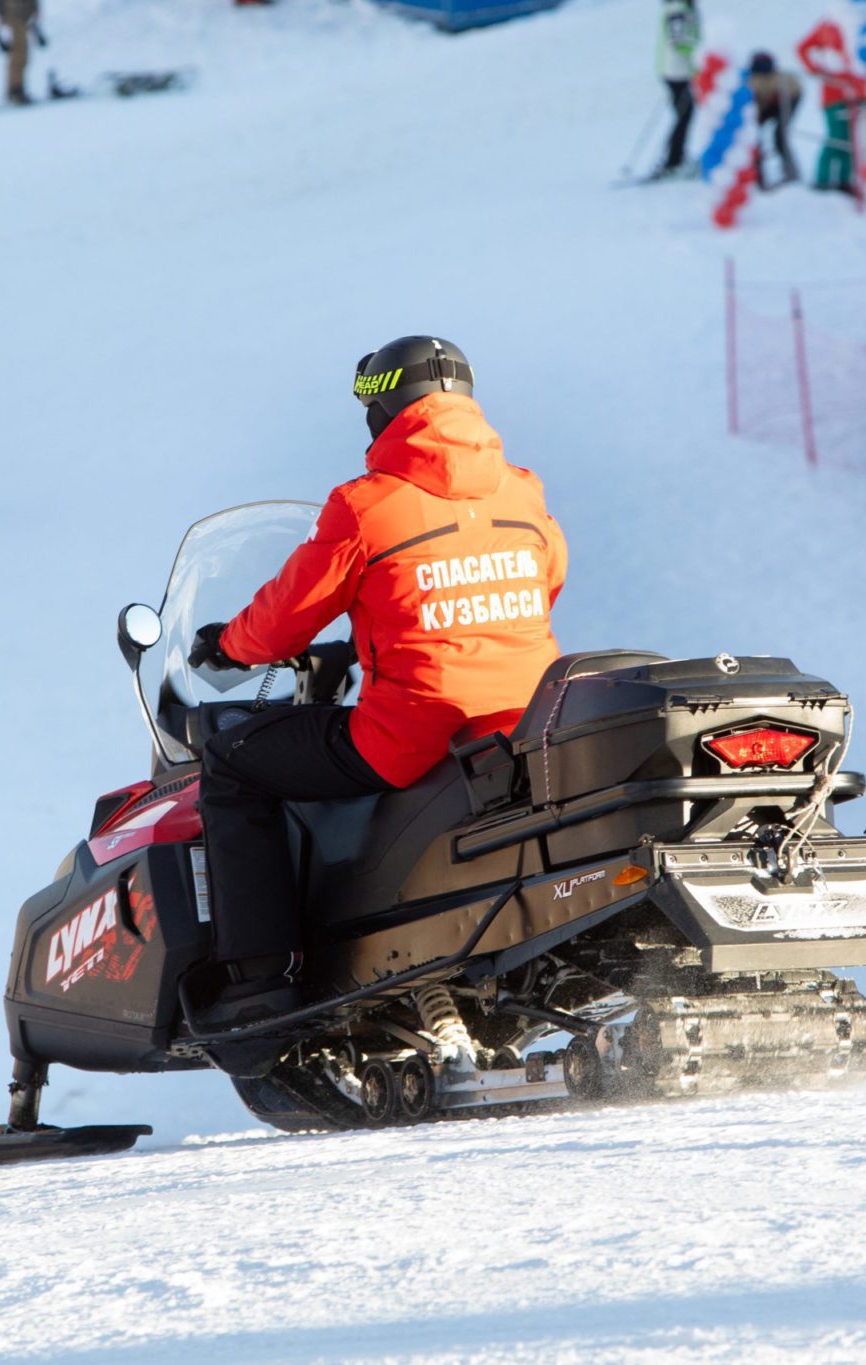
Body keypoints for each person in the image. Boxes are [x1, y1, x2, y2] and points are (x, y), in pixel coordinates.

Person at [187, 337, 568, 1026]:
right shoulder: (523, 490)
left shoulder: (367, 504)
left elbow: (281, 622)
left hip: (412, 737)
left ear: (386, 408)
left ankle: (258, 981)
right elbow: (545, 585)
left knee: (233, 762)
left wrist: (228, 644)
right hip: (525, 720)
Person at [797, 19, 866, 196]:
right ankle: (823, 179)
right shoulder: (828, 25)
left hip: (859, 94)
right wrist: (816, 70)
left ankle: (844, 180)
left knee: (851, 140)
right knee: (836, 137)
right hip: (835, 94)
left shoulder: (861, 23)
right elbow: (802, 48)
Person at [653, 0, 701, 179]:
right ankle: (673, 162)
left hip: (675, 71)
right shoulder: (678, 8)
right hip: (678, 72)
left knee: (683, 115)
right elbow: (679, 40)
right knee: (684, 115)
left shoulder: (676, 7)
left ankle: (675, 159)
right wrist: (696, 63)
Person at [748, 51, 805, 190]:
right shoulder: (752, 81)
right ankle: (756, 176)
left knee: (779, 137)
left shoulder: (784, 80)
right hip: (765, 106)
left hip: (785, 102)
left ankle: (790, 175)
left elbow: (794, 91)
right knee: (753, 138)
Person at [0, 0, 39, 105]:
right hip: (13, 16)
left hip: (24, 16)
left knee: (23, 55)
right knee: (18, 55)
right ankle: (15, 90)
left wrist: (34, 11)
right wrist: (1, 13)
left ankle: (17, 89)